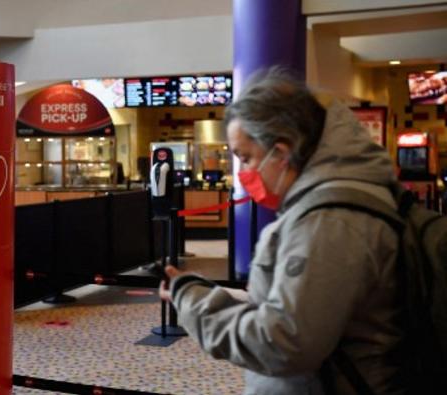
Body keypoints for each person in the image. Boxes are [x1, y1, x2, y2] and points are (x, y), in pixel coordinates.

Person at [159, 68, 404, 395]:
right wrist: (208, 293)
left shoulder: (329, 222)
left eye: (246, 158)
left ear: (282, 152)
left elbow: (282, 343)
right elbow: (300, 306)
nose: (244, 172)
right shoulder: (328, 206)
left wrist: (192, 302)